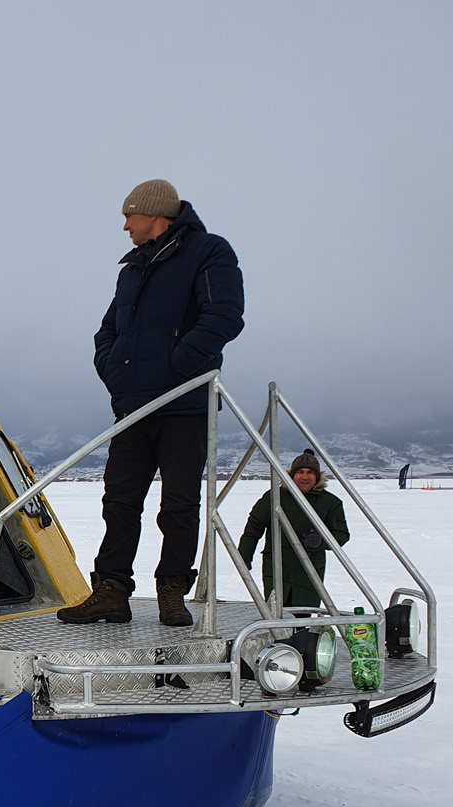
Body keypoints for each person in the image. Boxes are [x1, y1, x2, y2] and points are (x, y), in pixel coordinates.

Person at [58, 179, 245, 626]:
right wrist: (117, 377)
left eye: (130, 216)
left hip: (184, 405)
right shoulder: (132, 270)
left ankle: (171, 592)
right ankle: (111, 591)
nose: (125, 227)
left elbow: (224, 316)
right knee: (119, 501)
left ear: (155, 215)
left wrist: (176, 370)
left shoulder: (209, 253)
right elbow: (107, 333)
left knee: (178, 504)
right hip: (133, 408)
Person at [237, 450, 349, 610]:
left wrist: (321, 541)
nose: (305, 477)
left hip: (309, 567)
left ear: (317, 477)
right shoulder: (274, 497)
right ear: (292, 475)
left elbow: (341, 534)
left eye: (310, 472)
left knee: (304, 612)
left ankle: (302, 635)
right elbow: (254, 527)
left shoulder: (330, 502)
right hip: (277, 564)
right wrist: (244, 555)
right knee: (275, 610)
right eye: (300, 472)